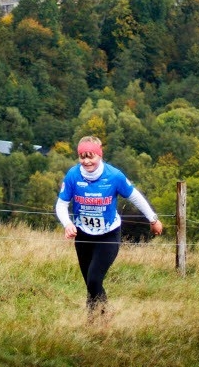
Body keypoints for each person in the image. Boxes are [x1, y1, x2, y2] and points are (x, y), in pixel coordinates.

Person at [56, 136, 163, 318]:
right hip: (83, 236)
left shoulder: (114, 176)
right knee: (89, 283)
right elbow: (61, 204)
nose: (87, 161)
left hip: (108, 235)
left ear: (100, 155)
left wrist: (153, 219)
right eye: (82, 157)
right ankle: (96, 319)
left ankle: (102, 317)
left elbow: (135, 196)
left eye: (91, 156)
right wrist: (67, 224)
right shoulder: (73, 176)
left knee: (94, 278)